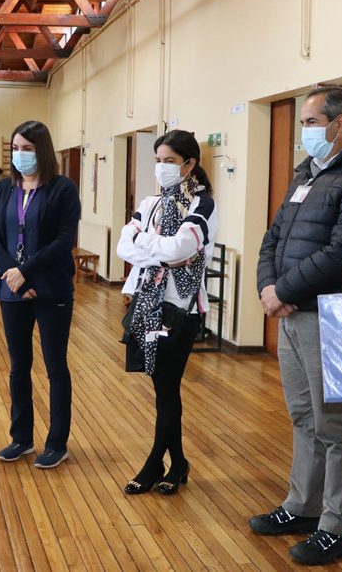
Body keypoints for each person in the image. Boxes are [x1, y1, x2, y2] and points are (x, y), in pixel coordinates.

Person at [251, 86, 342, 566]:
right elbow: (274, 237)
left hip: (327, 316)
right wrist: (269, 286)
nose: (303, 131)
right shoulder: (306, 172)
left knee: (335, 425)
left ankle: (337, 526)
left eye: (310, 122)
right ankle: (302, 505)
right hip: (290, 313)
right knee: (304, 417)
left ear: (339, 124)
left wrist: (282, 291)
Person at [116, 129, 217, 496]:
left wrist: (146, 242)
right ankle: (177, 463)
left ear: (189, 164)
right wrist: (162, 253)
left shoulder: (202, 204)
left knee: (168, 387)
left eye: (170, 161)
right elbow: (123, 246)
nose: (162, 167)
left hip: (181, 310)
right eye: (158, 160)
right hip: (148, 304)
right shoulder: (151, 203)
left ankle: (154, 463)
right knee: (162, 388)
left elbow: (181, 247)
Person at [0, 120, 81, 469]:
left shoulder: (63, 189)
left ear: (42, 150)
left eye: (27, 149)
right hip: (13, 289)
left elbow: (64, 240)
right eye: (16, 148)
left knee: (55, 367)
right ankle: (21, 438)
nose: (20, 154)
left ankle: (57, 443)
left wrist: (25, 272)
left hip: (51, 288)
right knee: (18, 366)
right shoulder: (3, 189)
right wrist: (13, 274)